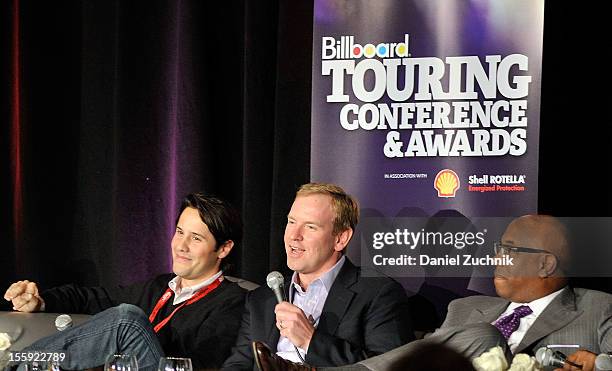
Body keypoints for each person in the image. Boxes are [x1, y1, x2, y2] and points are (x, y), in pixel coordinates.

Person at [258, 215, 612, 371]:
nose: (495, 257)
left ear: (546, 265)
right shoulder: (466, 307)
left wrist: (599, 364)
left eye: (509, 249)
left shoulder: (597, 307)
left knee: (486, 335)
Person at [4, 193, 247, 371]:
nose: (181, 246)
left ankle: (15, 364)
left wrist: (135, 342)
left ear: (223, 249)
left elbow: (204, 364)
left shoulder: (231, 300)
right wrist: (41, 301)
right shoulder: (161, 286)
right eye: (180, 232)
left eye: (195, 238)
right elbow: (92, 298)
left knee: (127, 322)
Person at [221, 183, 414, 370]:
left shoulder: (377, 293)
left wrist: (310, 340)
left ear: (340, 239)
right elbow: (238, 364)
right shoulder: (262, 299)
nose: (294, 235)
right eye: (291, 222)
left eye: (310, 227)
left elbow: (390, 365)